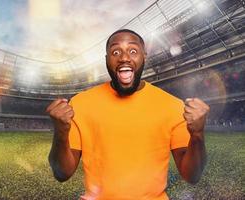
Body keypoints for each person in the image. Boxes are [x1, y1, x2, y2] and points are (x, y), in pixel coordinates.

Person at [46, 29, 210, 200]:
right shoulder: (80, 104)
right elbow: (61, 173)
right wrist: (61, 132)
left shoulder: (173, 106)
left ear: (144, 57)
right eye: (115, 52)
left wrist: (197, 135)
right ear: (106, 60)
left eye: (133, 51)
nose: (124, 58)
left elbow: (192, 175)